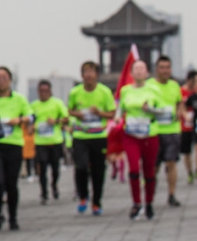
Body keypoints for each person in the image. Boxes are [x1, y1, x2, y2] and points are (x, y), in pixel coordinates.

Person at [68, 62, 116, 216]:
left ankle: (96, 201)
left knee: (98, 170)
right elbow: (70, 110)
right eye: (86, 72)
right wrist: (78, 114)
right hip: (80, 135)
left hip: (98, 136)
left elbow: (112, 114)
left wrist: (99, 113)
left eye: (91, 71)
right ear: (82, 75)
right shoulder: (75, 92)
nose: (89, 75)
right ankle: (83, 196)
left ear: (97, 75)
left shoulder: (105, 92)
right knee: (80, 166)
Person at [0, 66, 31, 231]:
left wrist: (19, 120)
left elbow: (31, 116)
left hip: (13, 145)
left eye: (4, 77)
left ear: (10, 80)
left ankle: (13, 217)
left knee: (11, 184)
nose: (1, 80)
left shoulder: (19, 99)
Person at [117, 61, 163, 221]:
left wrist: (149, 109)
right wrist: (116, 119)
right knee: (134, 168)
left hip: (149, 134)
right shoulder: (125, 90)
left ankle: (149, 202)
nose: (139, 72)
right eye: (136, 69)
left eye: (142, 69)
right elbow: (120, 109)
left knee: (149, 171)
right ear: (131, 73)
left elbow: (162, 112)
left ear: (147, 73)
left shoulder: (154, 90)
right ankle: (136, 203)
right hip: (131, 135)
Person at [151, 56, 184, 207]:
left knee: (171, 163)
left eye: (167, 67)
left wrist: (180, 111)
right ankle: (150, 193)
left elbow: (180, 102)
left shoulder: (175, 85)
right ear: (156, 69)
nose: (165, 70)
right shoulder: (149, 85)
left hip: (172, 130)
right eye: (162, 67)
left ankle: (171, 194)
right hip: (155, 131)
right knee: (154, 167)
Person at [30, 80, 68, 204]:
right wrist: (32, 127)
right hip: (40, 143)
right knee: (42, 169)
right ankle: (44, 192)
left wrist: (56, 121)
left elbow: (66, 118)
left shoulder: (57, 103)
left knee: (55, 168)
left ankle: (54, 185)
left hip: (55, 141)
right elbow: (29, 121)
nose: (44, 93)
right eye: (41, 91)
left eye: (46, 91)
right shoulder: (34, 105)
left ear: (50, 91)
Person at [179, 70, 197, 184]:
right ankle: (190, 172)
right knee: (187, 152)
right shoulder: (180, 91)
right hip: (184, 126)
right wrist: (185, 116)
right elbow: (179, 106)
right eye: (192, 81)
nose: (193, 84)